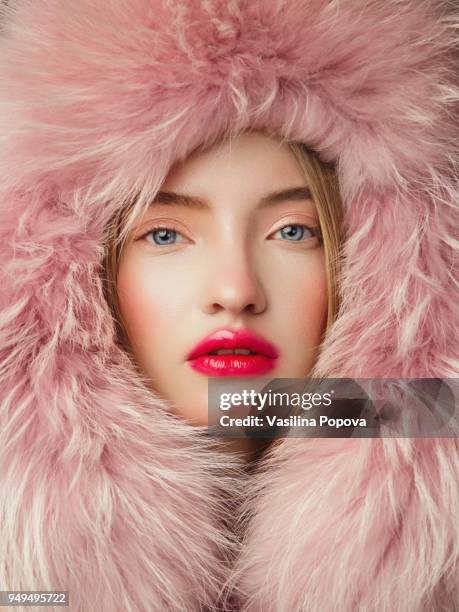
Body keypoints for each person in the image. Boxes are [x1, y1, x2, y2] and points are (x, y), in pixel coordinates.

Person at [0, 1, 457, 611]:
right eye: (165, 235)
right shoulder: (24, 580)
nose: (237, 290)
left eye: (294, 232)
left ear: (381, 268)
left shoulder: (440, 550)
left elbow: (421, 409)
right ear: (75, 279)